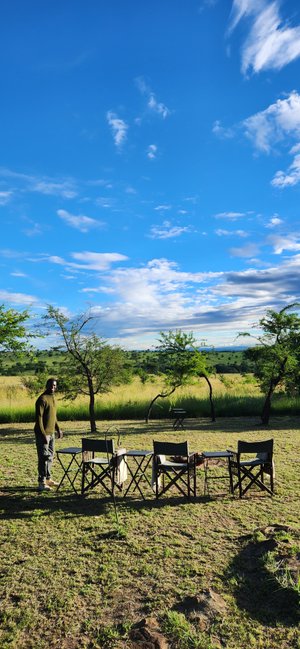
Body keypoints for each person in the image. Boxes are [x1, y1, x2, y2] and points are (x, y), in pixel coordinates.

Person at [34, 377, 63, 491]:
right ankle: (41, 482)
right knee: (43, 458)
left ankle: (48, 479)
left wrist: (58, 429)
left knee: (50, 457)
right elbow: (39, 419)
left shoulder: (53, 398)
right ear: (46, 385)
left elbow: (53, 416)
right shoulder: (42, 399)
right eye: (51, 385)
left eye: (54, 385)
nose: (52, 387)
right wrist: (43, 434)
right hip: (43, 434)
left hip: (51, 434)